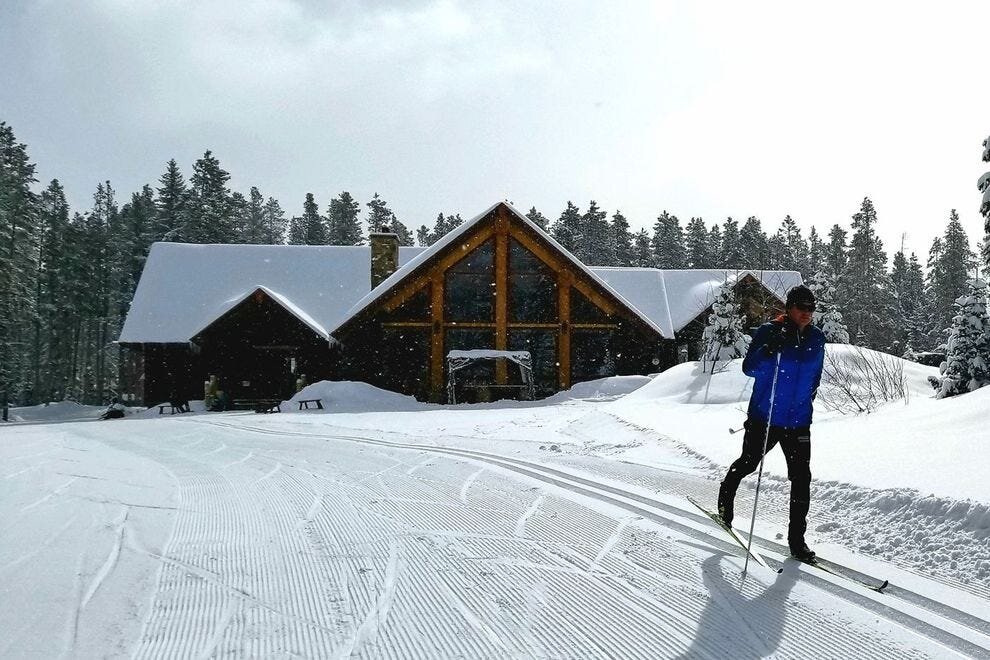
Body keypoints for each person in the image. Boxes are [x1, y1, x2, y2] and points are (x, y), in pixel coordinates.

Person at [717, 284, 826, 562]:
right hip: (766, 418)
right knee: (749, 463)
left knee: (802, 478)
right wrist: (768, 350)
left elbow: (815, 378)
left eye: (811, 308)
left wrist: (805, 403)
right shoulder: (770, 332)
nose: (807, 313)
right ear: (789, 307)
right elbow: (749, 368)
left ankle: (797, 541)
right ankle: (725, 500)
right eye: (802, 307)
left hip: (799, 421)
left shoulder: (817, 339)